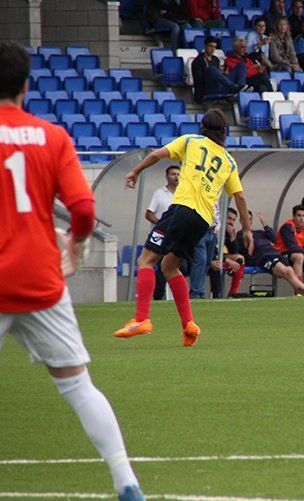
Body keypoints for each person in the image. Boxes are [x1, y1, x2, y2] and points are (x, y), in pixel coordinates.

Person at [0, 41, 144, 500]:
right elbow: (82, 207)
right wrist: (77, 244)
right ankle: (126, 479)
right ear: (26, 86)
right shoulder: (52, 136)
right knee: (79, 386)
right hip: (42, 279)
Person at [114, 109, 253, 347]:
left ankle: (141, 318)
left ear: (202, 127)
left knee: (146, 261)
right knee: (170, 266)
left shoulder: (191, 141)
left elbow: (158, 154)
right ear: (224, 132)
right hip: (202, 222)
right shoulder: (229, 162)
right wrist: (247, 229)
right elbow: (239, 197)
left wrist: (135, 171)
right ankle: (189, 325)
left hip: (181, 209)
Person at [239, 210, 304, 296]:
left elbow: (274, 239)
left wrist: (265, 225)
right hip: (264, 257)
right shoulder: (240, 235)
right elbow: (247, 251)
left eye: (250, 219)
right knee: (287, 271)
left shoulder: (259, 232)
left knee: (290, 271)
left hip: (275, 254)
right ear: (240, 221)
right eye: (245, 219)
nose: (248, 221)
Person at [146, 165, 180, 300]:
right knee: (160, 265)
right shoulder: (159, 193)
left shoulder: (183, 194)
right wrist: (161, 224)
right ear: (167, 177)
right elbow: (149, 213)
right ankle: (158, 295)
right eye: (173, 174)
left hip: (176, 236)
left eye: (178, 174)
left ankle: (175, 296)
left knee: (174, 265)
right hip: (161, 235)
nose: (176, 177)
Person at [190, 36, 245, 104]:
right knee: (211, 69)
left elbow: (219, 75)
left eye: (214, 47)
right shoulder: (198, 61)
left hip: (219, 85)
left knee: (241, 65)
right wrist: (213, 74)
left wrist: (222, 74)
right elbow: (199, 80)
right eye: (210, 46)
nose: (212, 49)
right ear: (205, 46)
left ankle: (240, 86)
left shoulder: (216, 59)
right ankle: (234, 88)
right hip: (206, 89)